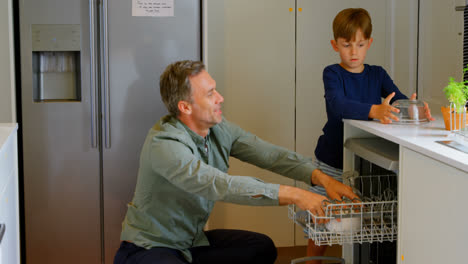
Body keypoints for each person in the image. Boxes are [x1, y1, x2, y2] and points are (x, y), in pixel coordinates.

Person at [113, 60, 359, 264]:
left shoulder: (219, 129)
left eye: (216, 89)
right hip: (149, 247)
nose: (220, 98)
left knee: (261, 248)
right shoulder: (164, 144)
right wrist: (298, 195)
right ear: (185, 106)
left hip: (191, 244)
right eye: (210, 94)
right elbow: (218, 185)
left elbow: (270, 155)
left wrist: (322, 178)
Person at [306, 8, 434, 264]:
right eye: (347, 45)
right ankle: (312, 262)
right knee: (321, 221)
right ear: (335, 45)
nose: (354, 52)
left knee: (358, 223)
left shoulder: (378, 74)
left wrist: (415, 107)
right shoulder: (332, 73)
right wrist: (374, 109)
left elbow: (397, 100)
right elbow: (337, 107)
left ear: (369, 43)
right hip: (331, 160)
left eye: (360, 44)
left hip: (362, 161)